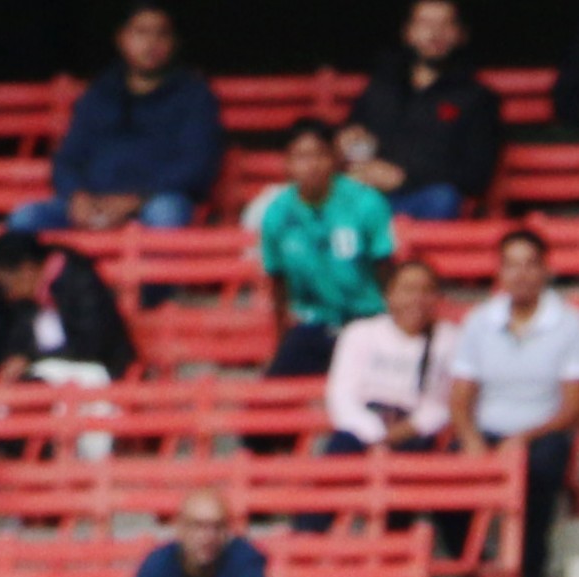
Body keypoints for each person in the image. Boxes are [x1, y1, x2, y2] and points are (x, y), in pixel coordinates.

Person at [451, 225, 579, 573]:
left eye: (530, 265)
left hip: (544, 431)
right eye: (511, 265)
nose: (521, 275)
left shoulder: (571, 323)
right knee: (448, 479)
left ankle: (530, 573)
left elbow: (574, 408)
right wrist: (472, 440)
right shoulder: (478, 321)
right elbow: (460, 398)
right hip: (488, 430)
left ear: (546, 269)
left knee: (537, 473)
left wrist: (523, 438)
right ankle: (477, 569)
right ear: (499, 271)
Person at [22, 6, 222, 232]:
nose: (151, 43)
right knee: (27, 218)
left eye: (161, 34)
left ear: (175, 42)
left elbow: (196, 165)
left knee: (167, 215)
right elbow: (68, 158)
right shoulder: (99, 93)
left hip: (154, 201)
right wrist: (78, 196)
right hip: (94, 202)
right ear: (121, 38)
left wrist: (134, 200)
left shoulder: (194, 95)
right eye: (141, 33)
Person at [254, 116, 400, 379]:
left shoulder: (365, 203)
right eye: (301, 157)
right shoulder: (276, 214)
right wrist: (281, 342)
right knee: (271, 390)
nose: (311, 165)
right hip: (313, 326)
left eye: (320, 155)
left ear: (334, 159)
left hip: (365, 321)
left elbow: (385, 268)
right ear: (287, 164)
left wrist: (393, 329)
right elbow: (278, 283)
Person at [347, 0, 506, 219]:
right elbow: (352, 135)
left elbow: (476, 176)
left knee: (443, 197)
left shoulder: (477, 98)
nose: (435, 33)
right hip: (370, 197)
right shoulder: (382, 86)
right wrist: (345, 140)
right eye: (425, 24)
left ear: (461, 35)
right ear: (408, 33)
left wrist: (404, 177)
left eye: (445, 24)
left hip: (425, 202)